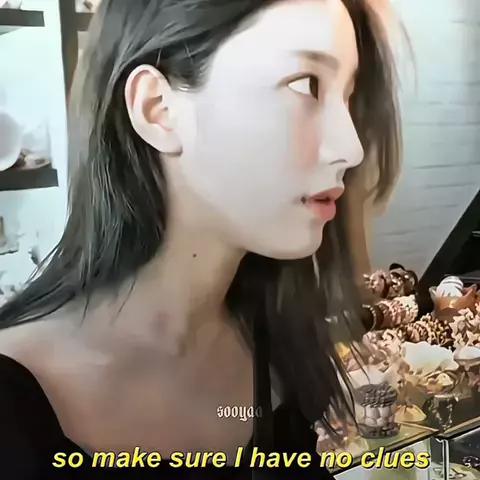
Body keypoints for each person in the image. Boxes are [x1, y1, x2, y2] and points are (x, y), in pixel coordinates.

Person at [0, 0, 401, 478]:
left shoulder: (275, 352)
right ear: (158, 109)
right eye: (306, 85)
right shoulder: (15, 406)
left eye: (348, 95)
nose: (351, 148)